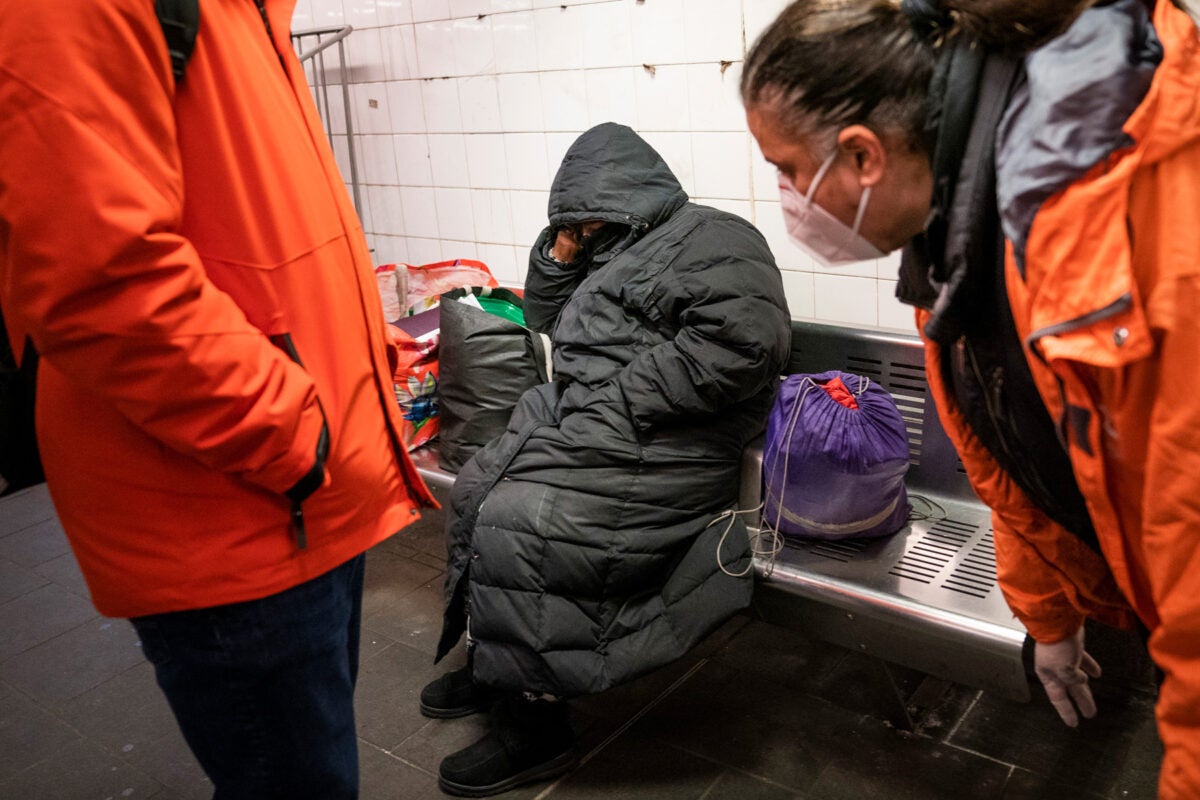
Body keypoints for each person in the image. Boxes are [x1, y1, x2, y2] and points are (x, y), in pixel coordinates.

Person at [742, 0, 1200, 796]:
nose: (787, 195)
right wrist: (1048, 616)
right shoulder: (959, 230)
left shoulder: (1119, 217)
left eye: (787, 169)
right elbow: (1004, 460)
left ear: (862, 156)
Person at [0, 1, 436, 797]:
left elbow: (255, 233)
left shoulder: (246, 12)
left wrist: (364, 354)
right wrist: (290, 430)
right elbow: (99, 277)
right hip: (233, 500)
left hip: (296, 482)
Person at [420, 122, 791, 797]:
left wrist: (624, 400)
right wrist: (561, 249)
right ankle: (497, 663)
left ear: (624, 193)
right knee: (477, 485)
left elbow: (746, 345)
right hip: (593, 420)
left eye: (584, 214)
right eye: (571, 219)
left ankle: (537, 730)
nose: (580, 227)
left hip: (672, 437)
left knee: (530, 521)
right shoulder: (607, 251)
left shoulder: (714, 237)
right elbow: (546, 319)